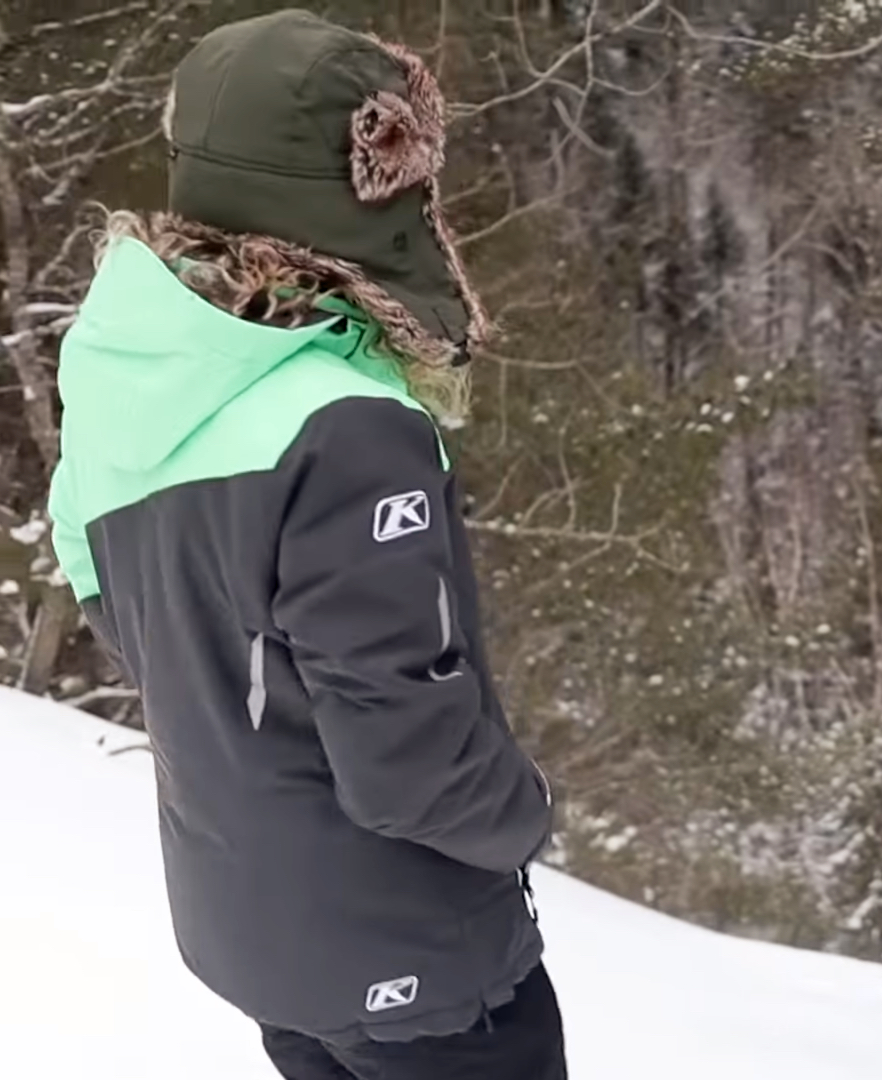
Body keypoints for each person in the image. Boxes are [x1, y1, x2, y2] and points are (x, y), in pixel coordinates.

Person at [47, 9, 566, 1079]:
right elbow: (411, 769)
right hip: (416, 962)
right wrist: (525, 814)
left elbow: (122, 610)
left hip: (257, 938)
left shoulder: (131, 369)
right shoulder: (345, 424)